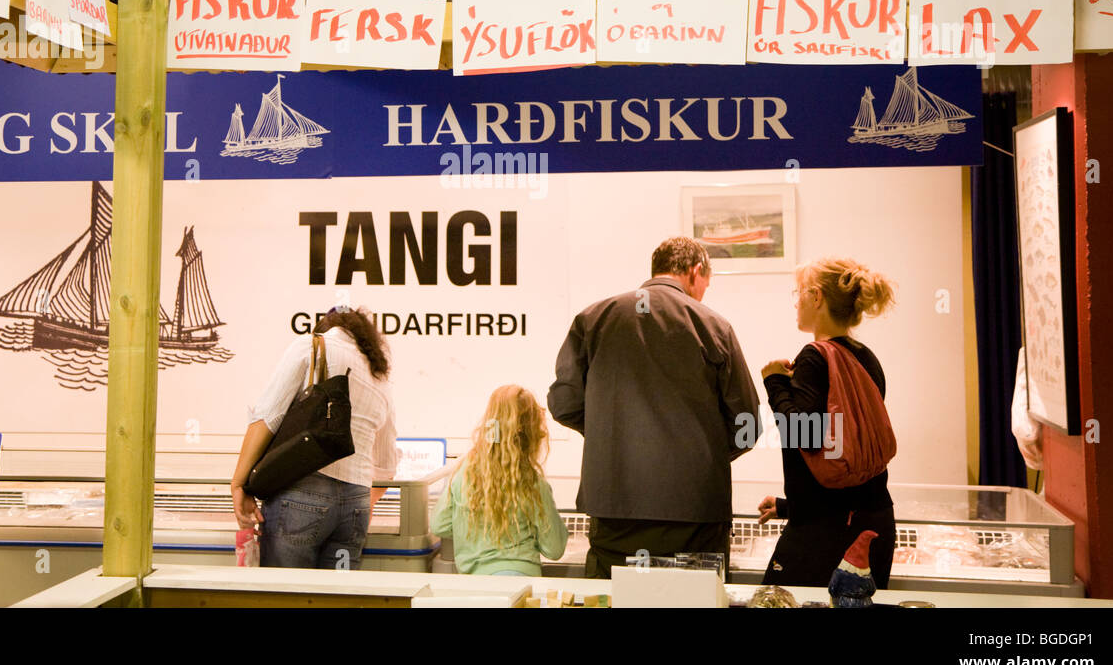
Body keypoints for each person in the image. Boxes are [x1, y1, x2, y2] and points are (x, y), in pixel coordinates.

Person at [549, 236, 760, 578]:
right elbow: (748, 425)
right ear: (695, 272)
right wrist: (702, 452)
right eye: (707, 281)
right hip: (696, 514)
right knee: (693, 602)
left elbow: (563, 403)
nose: (705, 290)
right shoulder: (715, 327)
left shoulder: (593, 319)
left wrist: (614, 435)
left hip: (614, 511)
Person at [757, 257, 897, 589]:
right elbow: (845, 455)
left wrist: (773, 382)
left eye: (799, 293)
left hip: (825, 533)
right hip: (873, 522)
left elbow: (804, 434)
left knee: (772, 598)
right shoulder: (865, 357)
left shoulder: (815, 356)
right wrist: (788, 507)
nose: (796, 303)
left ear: (816, 297)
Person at [231, 306, 398, 569]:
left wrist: (239, 483)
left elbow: (267, 417)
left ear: (326, 326)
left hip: (301, 491)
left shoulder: (311, 346)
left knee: (287, 598)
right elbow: (387, 466)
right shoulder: (381, 379)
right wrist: (359, 500)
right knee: (337, 597)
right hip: (356, 504)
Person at [430, 385, 568, 576]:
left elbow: (439, 525)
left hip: (476, 586)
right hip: (523, 583)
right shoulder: (532, 482)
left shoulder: (463, 473)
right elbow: (554, 549)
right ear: (532, 431)